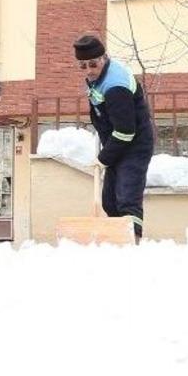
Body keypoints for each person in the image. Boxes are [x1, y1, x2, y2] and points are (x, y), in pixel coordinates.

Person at [73, 34, 154, 240]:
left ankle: (131, 245)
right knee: (109, 201)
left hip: (134, 145)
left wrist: (103, 159)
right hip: (116, 143)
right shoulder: (98, 78)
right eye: (83, 66)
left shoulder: (115, 85)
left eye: (93, 64)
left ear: (104, 58)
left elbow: (126, 131)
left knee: (127, 198)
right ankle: (116, 241)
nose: (89, 71)